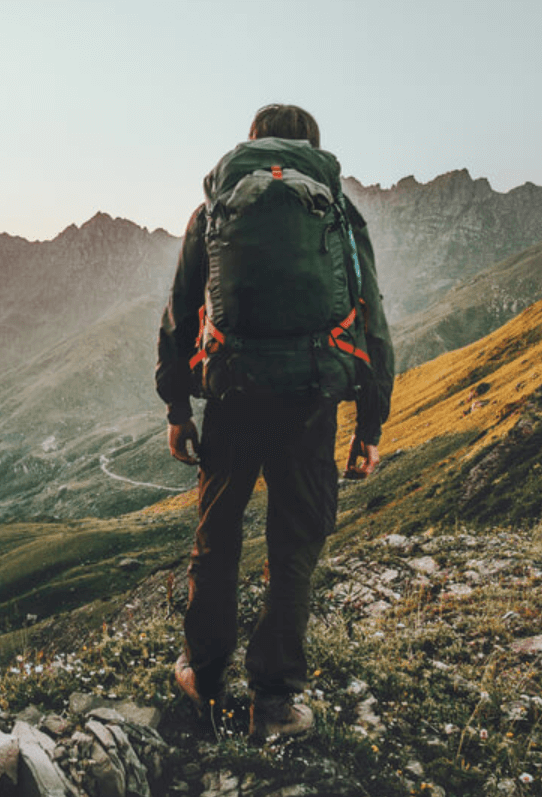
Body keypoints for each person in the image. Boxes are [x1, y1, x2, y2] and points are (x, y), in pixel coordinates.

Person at [154, 103, 394, 741]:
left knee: (217, 543)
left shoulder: (215, 211)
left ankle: (204, 677)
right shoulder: (339, 214)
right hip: (311, 403)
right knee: (292, 552)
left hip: (232, 398)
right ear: (313, 147)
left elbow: (180, 315)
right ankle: (276, 703)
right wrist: (370, 426)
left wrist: (177, 409)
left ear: (252, 143)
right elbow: (372, 320)